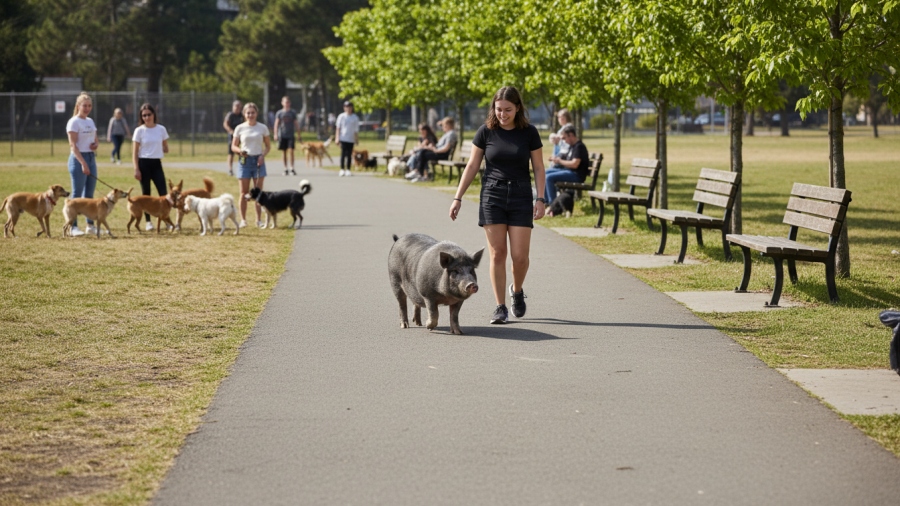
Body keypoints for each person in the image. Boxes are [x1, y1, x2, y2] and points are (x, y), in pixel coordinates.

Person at [449, 86, 545, 324]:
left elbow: (539, 167)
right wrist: (457, 197)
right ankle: (500, 306)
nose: (502, 114)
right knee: (497, 253)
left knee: (520, 257)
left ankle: (517, 291)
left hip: (521, 195)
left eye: (508, 110)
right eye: (499, 109)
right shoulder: (486, 132)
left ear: (518, 108)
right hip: (493, 195)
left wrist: (541, 198)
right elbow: (472, 166)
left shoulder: (529, 133)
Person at [231, 102, 271, 228]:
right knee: (243, 192)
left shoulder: (262, 128)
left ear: (256, 113)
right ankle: (243, 220)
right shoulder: (240, 128)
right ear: (244, 114)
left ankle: (258, 220)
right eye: (248, 113)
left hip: (258, 161)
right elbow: (233, 146)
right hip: (245, 162)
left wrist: (262, 155)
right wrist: (240, 151)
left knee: (258, 192)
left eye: (253, 113)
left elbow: (268, 146)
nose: (250, 115)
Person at [132, 103, 170, 231]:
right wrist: (136, 169)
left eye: (149, 114)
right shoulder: (139, 131)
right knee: (146, 195)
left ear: (154, 115)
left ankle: (166, 220)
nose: (147, 117)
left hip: (156, 164)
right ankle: (148, 222)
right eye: (144, 115)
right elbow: (135, 152)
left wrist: (165, 148)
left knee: (163, 194)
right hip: (144, 164)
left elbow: (166, 146)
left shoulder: (161, 129)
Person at [66, 92, 100, 236]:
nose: (87, 108)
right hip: (78, 159)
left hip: (91, 157)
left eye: (89, 105)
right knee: (77, 194)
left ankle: (90, 225)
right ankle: (72, 227)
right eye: (84, 105)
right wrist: (83, 164)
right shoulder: (74, 122)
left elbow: (95, 140)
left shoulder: (90, 121)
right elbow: (73, 146)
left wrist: (95, 145)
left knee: (89, 194)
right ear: (78, 106)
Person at [544, 124, 590, 207]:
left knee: (549, 178)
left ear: (571, 135)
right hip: (569, 171)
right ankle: (546, 202)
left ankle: (553, 205)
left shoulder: (579, 147)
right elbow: (566, 160)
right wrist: (557, 160)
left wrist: (560, 161)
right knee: (543, 173)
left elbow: (575, 164)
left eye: (564, 138)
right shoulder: (572, 146)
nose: (563, 141)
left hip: (576, 175)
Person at [411, 117, 457, 182]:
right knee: (422, 151)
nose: (442, 127)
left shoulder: (451, 133)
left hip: (442, 154)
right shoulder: (447, 133)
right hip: (438, 152)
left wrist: (435, 150)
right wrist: (432, 147)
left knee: (423, 153)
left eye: (443, 125)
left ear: (448, 126)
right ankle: (420, 173)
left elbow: (446, 148)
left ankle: (420, 174)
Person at [274, 96, 301, 176]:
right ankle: (285, 168)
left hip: (291, 135)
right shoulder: (279, 113)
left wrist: (299, 134)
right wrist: (275, 134)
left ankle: (292, 168)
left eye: (288, 102)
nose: (287, 104)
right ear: (282, 103)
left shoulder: (292, 112)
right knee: (284, 152)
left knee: (291, 151)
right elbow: (276, 124)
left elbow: (296, 124)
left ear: (290, 103)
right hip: (282, 135)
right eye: (285, 102)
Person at [334, 101, 360, 177]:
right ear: (344, 108)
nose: (348, 109)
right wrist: (337, 138)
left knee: (349, 154)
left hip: (351, 139)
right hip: (343, 138)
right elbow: (338, 128)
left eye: (350, 107)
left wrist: (356, 140)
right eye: (347, 107)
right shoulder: (341, 116)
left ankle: (348, 169)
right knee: (343, 154)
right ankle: (342, 169)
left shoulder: (355, 117)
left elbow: (356, 130)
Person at [223, 100, 243, 176]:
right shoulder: (230, 115)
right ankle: (230, 169)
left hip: (241, 136)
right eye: (236, 105)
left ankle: (241, 167)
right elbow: (225, 124)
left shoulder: (242, 115)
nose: (238, 107)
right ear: (233, 106)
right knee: (231, 153)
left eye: (239, 105)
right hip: (233, 135)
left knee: (241, 152)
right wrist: (231, 131)